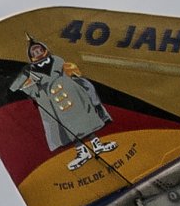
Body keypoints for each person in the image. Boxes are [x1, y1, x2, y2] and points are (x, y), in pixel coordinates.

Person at [9, 36, 117, 171]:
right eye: (34, 52)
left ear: (45, 49)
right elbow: (14, 87)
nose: (37, 53)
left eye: (39, 50)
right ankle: (82, 151)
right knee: (69, 129)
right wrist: (24, 74)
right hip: (53, 104)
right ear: (31, 57)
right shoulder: (30, 71)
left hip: (74, 96)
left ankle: (96, 144)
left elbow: (72, 72)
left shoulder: (58, 61)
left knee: (86, 121)